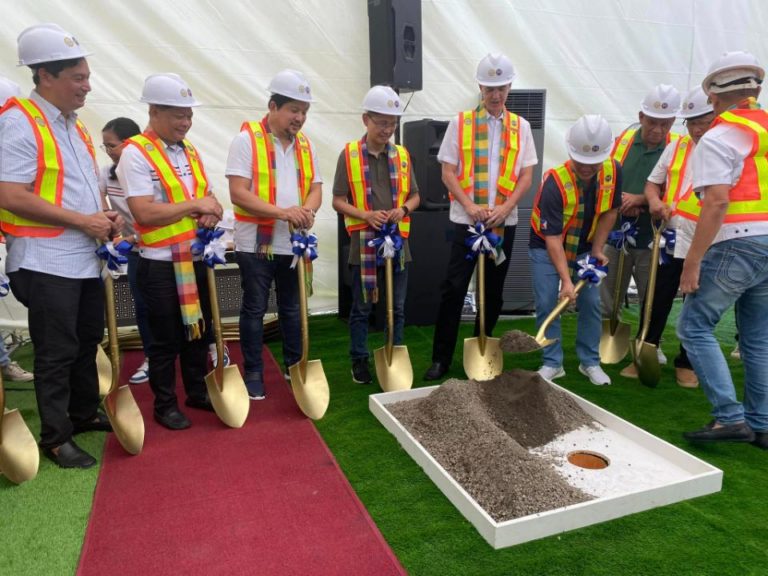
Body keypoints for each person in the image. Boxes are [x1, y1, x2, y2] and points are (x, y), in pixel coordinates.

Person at [0, 24, 120, 469]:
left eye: (87, 76)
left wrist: (105, 215)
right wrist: (82, 220)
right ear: (44, 76)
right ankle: (56, 437)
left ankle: (82, 412)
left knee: (88, 338)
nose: (87, 86)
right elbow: (9, 194)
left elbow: (81, 187)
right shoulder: (17, 122)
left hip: (84, 257)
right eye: (77, 77)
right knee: (55, 350)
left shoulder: (75, 125)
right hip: (45, 259)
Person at [117, 73, 223, 430]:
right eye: (178, 115)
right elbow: (143, 212)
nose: (186, 122)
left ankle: (197, 391)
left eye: (189, 115)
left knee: (199, 332)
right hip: (159, 263)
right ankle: (165, 404)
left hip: (194, 258)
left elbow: (207, 197)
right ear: (154, 111)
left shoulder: (189, 149)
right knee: (164, 340)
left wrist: (211, 210)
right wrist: (196, 205)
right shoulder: (135, 153)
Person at [424, 53, 537, 381]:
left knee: (494, 291)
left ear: (509, 87)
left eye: (501, 87)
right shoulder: (460, 123)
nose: (496, 94)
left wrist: (505, 208)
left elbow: (526, 176)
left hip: (504, 222)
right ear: (480, 87)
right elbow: (448, 172)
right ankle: (440, 359)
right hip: (466, 221)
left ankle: (484, 350)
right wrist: (470, 207)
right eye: (490, 88)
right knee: (454, 287)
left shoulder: (522, 127)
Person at [679, 51, 768, 450]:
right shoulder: (764, 130)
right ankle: (762, 424)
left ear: (713, 96)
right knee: (758, 337)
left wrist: (692, 262)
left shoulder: (717, 137)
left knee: (694, 326)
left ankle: (729, 417)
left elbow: (715, 202)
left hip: (737, 243)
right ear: (756, 88)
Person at [226, 69, 322, 400]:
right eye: (294, 109)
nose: (300, 118)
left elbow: (315, 188)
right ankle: (253, 372)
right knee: (254, 307)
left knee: (292, 309)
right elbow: (238, 192)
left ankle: (294, 365)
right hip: (254, 244)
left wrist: (307, 210)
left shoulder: (306, 145)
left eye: (304, 111)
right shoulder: (246, 139)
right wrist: (284, 213)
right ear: (273, 106)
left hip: (292, 244)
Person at [620, 87, 715, 386]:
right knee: (655, 299)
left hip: (706, 240)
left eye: (704, 121)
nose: (698, 128)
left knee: (696, 303)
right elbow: (652, 184)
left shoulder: (724, 149)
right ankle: (644, 354)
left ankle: (686, 363)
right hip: (670, 237)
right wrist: (656, 202)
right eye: (692, 122)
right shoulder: (677, 147)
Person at [332, 86, 420, 383]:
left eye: (392, 123)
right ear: (365, 120)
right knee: (362, 306)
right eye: (382, 122)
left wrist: (403, 211)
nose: (387, 129)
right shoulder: (349, 154)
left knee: (398, 305)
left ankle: (393, 354)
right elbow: (338, 200)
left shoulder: (403, 155)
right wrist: (366, 215)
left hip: (398, 240)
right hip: (363, 241)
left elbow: (416, 197)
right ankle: (359, 359)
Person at [529, 115, 620, 385]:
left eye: (594, 163)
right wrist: (566, 282)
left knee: (592, 302)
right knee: (547, 302)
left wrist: (597, 248)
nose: (587, 168)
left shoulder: (614, 171)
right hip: (546, 244)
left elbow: (610, 211)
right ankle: (552, 362)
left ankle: (589, 361)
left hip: (585, 243)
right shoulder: (554, 184)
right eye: (581, 162)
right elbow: (553, 239)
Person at [601, 83, 681, 369]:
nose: (658, 130)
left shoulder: (677, 148)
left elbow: (679, 194)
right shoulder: (620, 141)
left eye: (665, 123)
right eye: (653, 122)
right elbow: (605, 176)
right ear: (641, 116)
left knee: (652, 297)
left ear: (673, 122)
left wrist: (642, 200)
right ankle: (608, 334)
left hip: (655, 238)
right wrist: (621, 200)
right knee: (609, 292)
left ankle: (650, 342)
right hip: (616, 233)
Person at [99, 117, 152, 384]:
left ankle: (210, 348)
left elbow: (161, 213)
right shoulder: (106, 174)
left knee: (182, 304)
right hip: (134, 250)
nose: (108, 151)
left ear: (130, 143)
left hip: (162, 244)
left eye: (112, 146)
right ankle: (151, 357)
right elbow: (100, 210)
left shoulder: (151, 170)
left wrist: (132, 238)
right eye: (105, 146)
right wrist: (115, 231)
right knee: (142, 306)